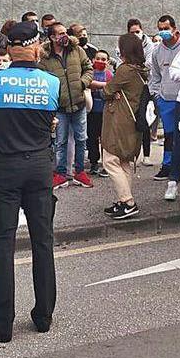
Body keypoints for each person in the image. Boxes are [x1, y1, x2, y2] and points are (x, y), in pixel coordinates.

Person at [0, 22, 59, 343]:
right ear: (37, 48)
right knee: (43, 242)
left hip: (5, 166)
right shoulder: (50, 82)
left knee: (2, 244)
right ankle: (43, 316)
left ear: (9, 49)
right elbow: (52, 120)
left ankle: (2, 323)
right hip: (39, 167)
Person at [39, 22, 93, 189]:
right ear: (52, 37)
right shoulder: (45, 57)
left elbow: (88, 68)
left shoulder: (76, 50)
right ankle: (61, 174)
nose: (65, 36)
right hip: (60, 106)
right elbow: (42, 79)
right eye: (61, 33)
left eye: (65, 33)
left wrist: (82, 83)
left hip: (79, 103)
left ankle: (80, 172)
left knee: (81, 138)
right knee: (60, 141)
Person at [101, 35, 150, 219]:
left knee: (110, 160)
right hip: (133, 120)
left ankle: (128, 201)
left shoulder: (125, 70)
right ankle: (124, 201)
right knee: (124, 161)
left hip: (120, 120)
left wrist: (112, 93)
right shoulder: (141, 69)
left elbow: (107, 91)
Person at [149, 15, 180, 200]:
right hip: (166, 99)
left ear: (175, 28)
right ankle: (168, 168)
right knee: (171, 136)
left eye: (166, 28)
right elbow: (156, 75)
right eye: (160, 28)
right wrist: (157, 95)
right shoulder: (157, 50)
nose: (163, 32)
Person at [87, 49, 113, 178]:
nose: (100, 61)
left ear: (107, 62)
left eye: (103, 59)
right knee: (92, 138)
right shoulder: (89, 73)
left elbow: (111, 91)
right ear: (93, 60)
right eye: (98, 58)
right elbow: (87, 84)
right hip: (91, 111)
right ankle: (93, 163)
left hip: (105, 112)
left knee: (105, 140)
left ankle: (106, 164)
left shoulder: (109, 75)